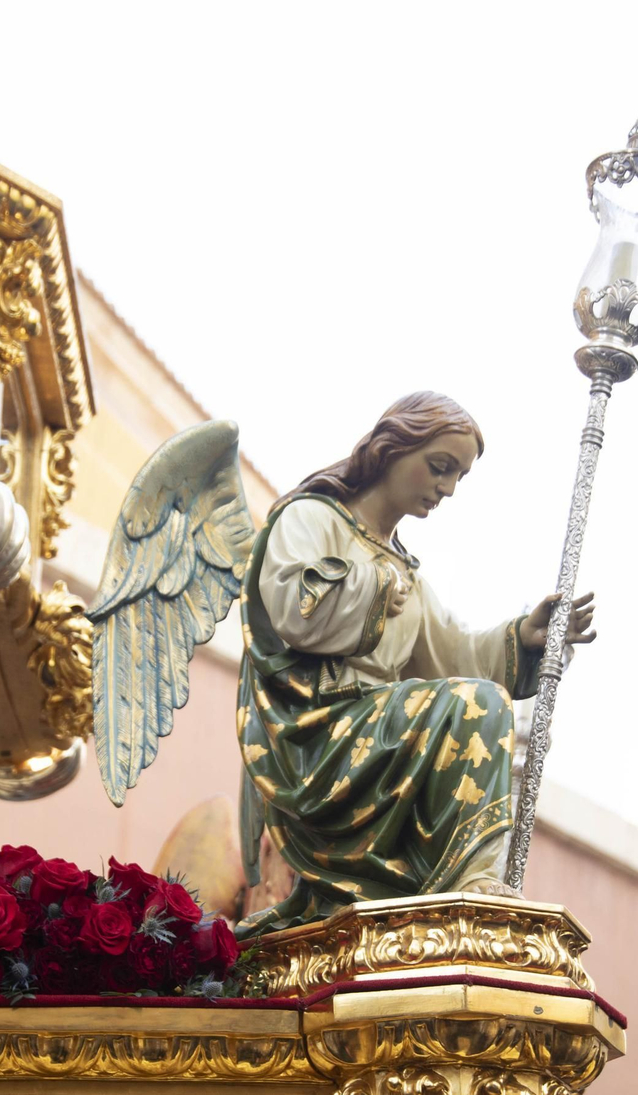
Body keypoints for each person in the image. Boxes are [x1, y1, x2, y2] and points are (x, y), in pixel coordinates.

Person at [237, 391, 596, 935]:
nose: (446, 488)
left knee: (479, 702)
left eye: (458, 477)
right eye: (439, 467)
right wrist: (373, 588)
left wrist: (525, 638)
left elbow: (457, 659)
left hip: (377, 737)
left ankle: (466, 885)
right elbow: (291, 607)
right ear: (391, 448)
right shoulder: (311, 517)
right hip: (319, 738)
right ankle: (472, 883)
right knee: (477, 705)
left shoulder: (404, 567)